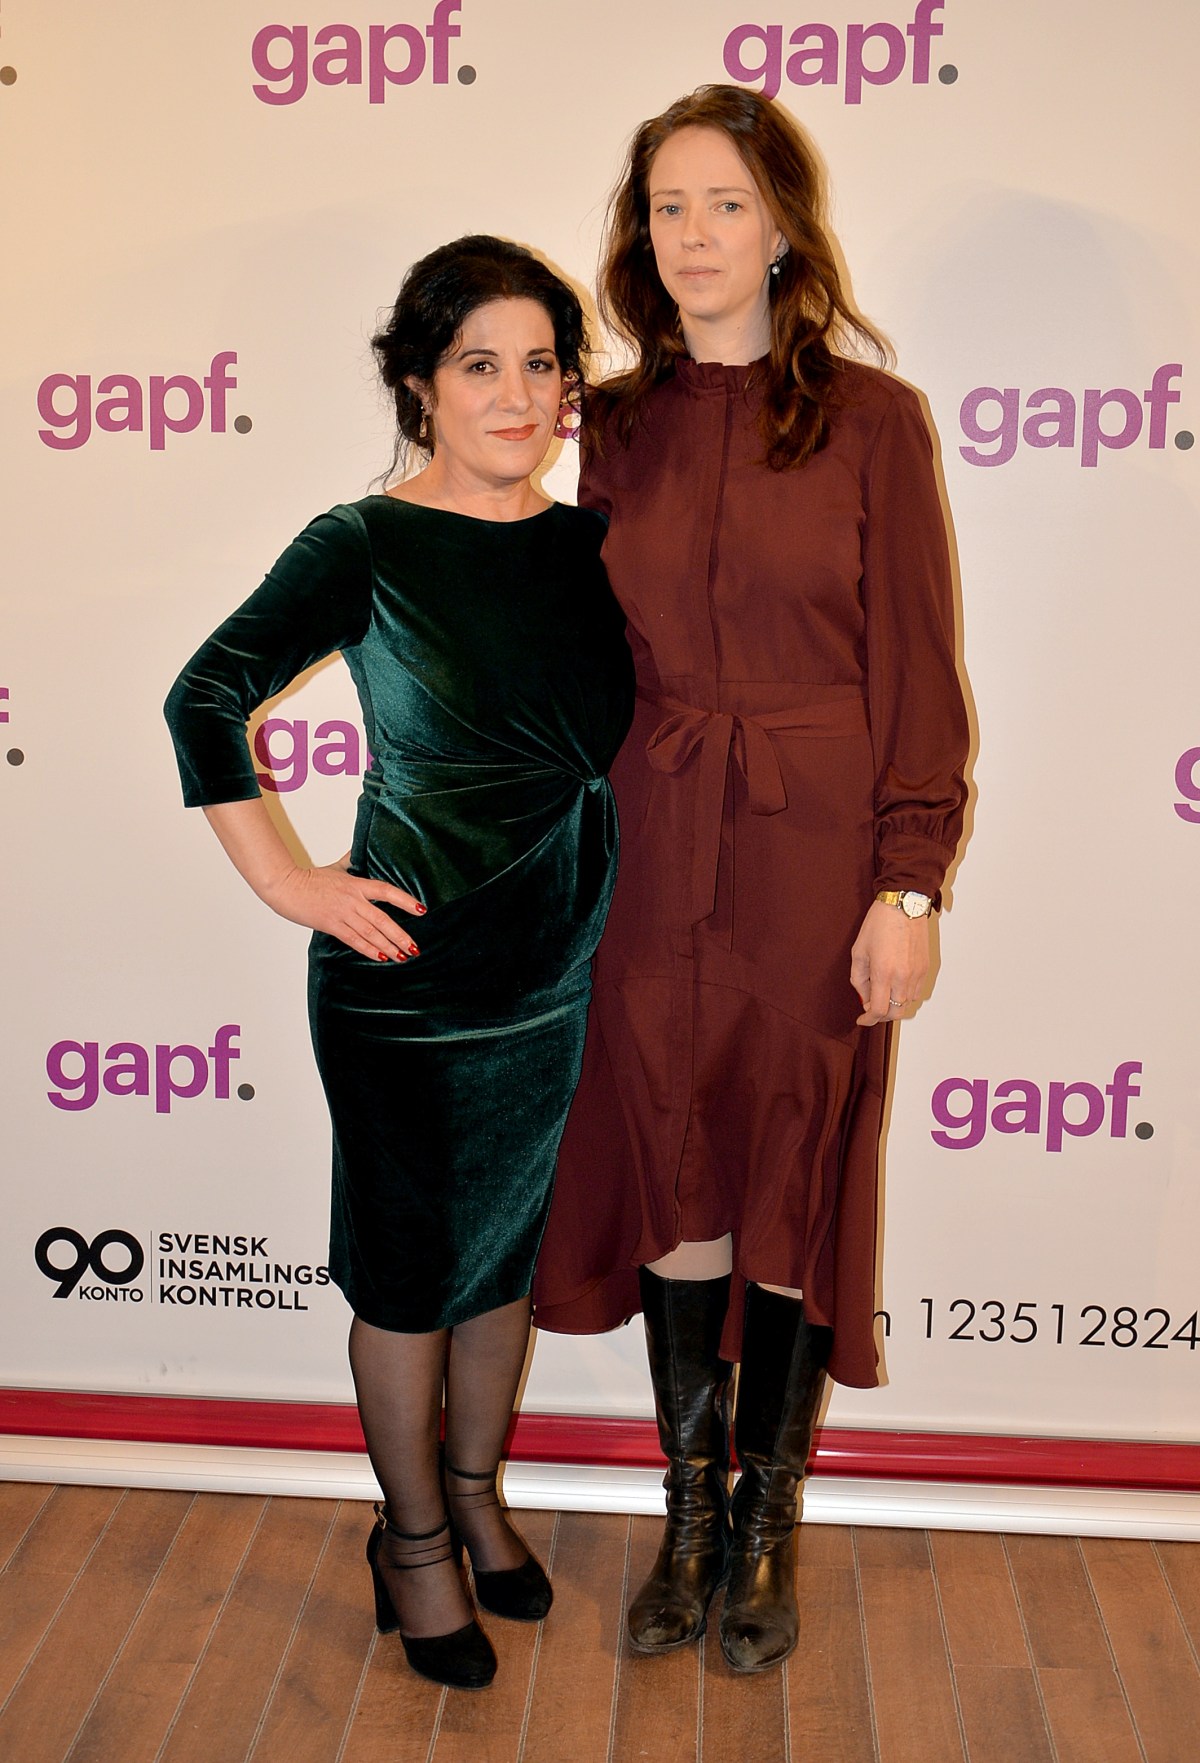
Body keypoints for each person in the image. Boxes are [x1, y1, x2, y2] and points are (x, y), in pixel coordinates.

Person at [532, 86, 970, 1673]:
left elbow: (918, 666)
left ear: (782, 223)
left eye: (723, 202)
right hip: (653, 839)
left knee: (788, 1158)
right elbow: (578, 658)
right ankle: (689, 1514)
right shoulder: (614, 427)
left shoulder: (874, 420)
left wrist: (907, 885)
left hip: (812, 848)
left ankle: (768, 1516)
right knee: (670, 1151)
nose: (693, 233)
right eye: (666, 206)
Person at [164, 236, 634, 1691]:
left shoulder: (587, 543)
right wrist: (288, 879)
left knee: (498, 1266)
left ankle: (477, 1495)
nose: (518, 395)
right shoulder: (364, 541)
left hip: (554, 973)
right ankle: (413, 1539)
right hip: (410, 981)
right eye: (481, 365)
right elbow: (206, 695)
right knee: (414, 1276)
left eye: (542, 364)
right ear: (421, 384)